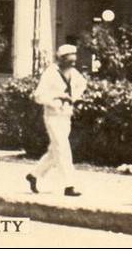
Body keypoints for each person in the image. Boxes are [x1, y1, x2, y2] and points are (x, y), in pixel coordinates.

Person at [27, 43, 88, 197]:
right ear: (61, 59)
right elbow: (38, 96)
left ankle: (34, 175)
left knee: (56, 151)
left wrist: (73, 97)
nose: (72, 64)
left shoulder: (73, 73)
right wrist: (57, 98)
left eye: (74, 61)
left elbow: (82, 84)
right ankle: (69, 185)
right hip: (53, 116)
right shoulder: (50, 73)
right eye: (69, 61)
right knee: (63, 148)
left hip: (66, 115)